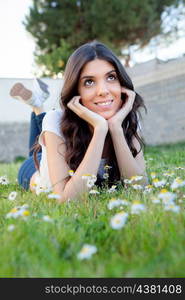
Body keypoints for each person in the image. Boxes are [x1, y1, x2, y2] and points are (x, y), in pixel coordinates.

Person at [10, 41, 147, 202]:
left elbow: (139, 188)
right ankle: (37, 106)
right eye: (89, 82)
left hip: (56, 150)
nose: (103, 91)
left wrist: (115, 128)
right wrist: (100, 130)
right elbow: (67, 200)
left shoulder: (127, 119)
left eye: (111, 77)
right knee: (41, 146)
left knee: (47, 133)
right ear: (76, 90)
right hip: (36, 169)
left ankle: (36, 103)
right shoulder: (56, 120)